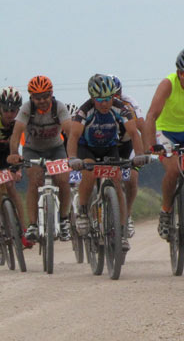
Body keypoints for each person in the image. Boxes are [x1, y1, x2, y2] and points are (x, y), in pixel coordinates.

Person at [66, 74, 146, 252]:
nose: (105, 103)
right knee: (88, 173)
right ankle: (84, 211)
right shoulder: (84, 111)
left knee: (117, 183)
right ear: (92, 98)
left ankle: (122, 232)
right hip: (87, 149)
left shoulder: (121, 108)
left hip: (110, 148)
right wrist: (72, 158)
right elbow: (74, 136)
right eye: (100, 99)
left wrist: (139, 154)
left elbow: (134, 133)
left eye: (109, 98)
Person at [143, 49, 184, 240]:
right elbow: (151, 116)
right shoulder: (168, 84)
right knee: (173, 170)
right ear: (178, 72)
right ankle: (166, 212)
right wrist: (152, 145)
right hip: (166, 131)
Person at [7, 76, 73, 242]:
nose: (42, 100)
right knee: (34, 180)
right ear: (31, 97)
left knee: (63, 180)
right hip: (32, 150)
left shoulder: (59, 108)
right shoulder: (26, 109)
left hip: (56, 149)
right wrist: (14, 154)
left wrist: (73, 154)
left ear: (51, 94)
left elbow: (70, 131)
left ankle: (64, 220)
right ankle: (33, 225)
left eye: (45, 96)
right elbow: (16, 134)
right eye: (37, 97)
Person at [109, 75, 146, 238]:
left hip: (125, 144)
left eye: (117, 95)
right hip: (106, 145)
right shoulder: (96, 105)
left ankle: (127, 215)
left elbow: (142, 128)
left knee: (132, 178)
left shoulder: (129, 102)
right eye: (111, 96)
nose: (114, 100)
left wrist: (145, 152)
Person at [0, 87, 32, 248]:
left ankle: (22, 231)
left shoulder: (20, 122)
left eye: (13, 110)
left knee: (12, 187)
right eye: (5, 109)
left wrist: (18, 169)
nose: (9, 113)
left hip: (8, 155)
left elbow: (23, 146)